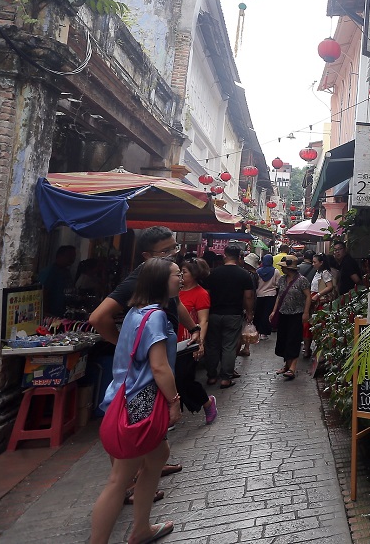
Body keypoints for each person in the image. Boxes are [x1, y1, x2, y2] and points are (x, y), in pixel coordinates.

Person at [88, 226, 196, 503]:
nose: (175, 255)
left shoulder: (163, 279)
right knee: (138, 418)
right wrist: (126, 347)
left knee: (151, 417)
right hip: (143, 369)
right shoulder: (139, 280)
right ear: (148, 256)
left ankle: (152, 467)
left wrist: (193, 327)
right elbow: (98, 318)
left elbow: (177, 304)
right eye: (167, 251)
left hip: (156, 359)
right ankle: (129, 485)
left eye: (175, 247)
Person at [90, 258, 181, 544]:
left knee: (158, 456)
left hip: (124, 395)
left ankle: (141, 528)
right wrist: (174, 400)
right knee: (120, 479)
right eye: (176, 275)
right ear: (160, 282)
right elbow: (159, 366)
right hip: (138, 403)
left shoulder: (134, 312)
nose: (181, 278)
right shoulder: (155, 316)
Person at [203, 245, 254, 389]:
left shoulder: (213, 273)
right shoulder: (244, 274)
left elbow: (206, 294)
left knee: (212, 345)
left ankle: (212, 376)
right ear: (239, 257)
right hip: (234, 314)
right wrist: (249, 313)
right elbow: (249, 296)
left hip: (213, 313)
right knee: (229, 346)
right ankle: (226, 378)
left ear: (225, 255)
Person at [176, 258, 217, 425]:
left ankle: (207, 402)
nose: (180, 275)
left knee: (183, 379)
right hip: (171, 340)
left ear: (194, 275)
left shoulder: (201, 294)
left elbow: (203, 321)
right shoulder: (174, 292)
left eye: (184, 272)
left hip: (187, 343)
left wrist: (199, 343)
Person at [269, 255, 311, 380]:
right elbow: (279, 296)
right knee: (283, 339)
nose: (282, 269)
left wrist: (306, 312)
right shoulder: (282, 279)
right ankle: (286, 365)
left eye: (284, 267)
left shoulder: (302, 280)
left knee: (294, 339)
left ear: (290, 268)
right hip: (283, 313)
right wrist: (274, 311)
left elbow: (308, 296)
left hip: (296, 314)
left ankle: (292, 367)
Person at [304, 253, 336, 359]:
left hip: (319, 302)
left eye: (315, 262)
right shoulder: (317, 272)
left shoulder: (325, 272)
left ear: (321, 263)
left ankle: (319, 351)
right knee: (309, 325)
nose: (313, 264)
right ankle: (308, 349)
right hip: (314, 301)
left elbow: (330, 286)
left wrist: (317, 295)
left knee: (319, 325)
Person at [39, 245, 76, 316]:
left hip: (64, 313)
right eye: (70, 256)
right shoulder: (50, 272)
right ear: (60, 256)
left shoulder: (66, 272)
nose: (72, 259)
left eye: (74, 256)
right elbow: (43, 293)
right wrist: (45, 313)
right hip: (52, 315)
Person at [253, 254, 281, 339]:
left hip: (259, 295)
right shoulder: (276, 271)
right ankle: (264, 333)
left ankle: (256, 331)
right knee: (267, 314)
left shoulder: (258, 271)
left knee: (258, 313)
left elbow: (256, 284)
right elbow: (278, 284)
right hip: (271, 295)